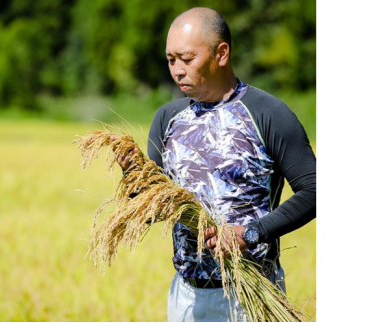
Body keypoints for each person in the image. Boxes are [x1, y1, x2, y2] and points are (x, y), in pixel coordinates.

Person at [115, 7, 316, 322]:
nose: (177, 70)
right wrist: (133, 178)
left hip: (253, 294)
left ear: (221, 53)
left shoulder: (269, 114)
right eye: (171, 60)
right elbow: (151, 211)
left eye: (187, 59)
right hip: (186, 297)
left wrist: (250, 233)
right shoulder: (167, 119)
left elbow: (315, 191)